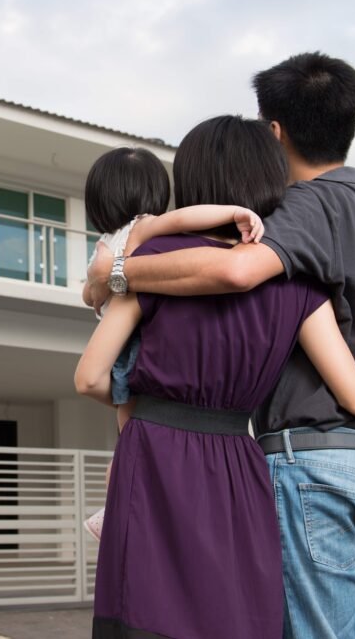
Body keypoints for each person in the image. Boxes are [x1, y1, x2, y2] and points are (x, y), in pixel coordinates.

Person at [86, 53, 355, 638]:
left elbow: (234, 272)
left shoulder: (304, 207)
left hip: (308, 458)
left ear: (275, 131)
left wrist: (116, 272)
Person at [80, 146, 265, 540]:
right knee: (135, 433)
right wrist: (232, 212)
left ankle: (116, 504)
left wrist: (99, 285)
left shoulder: (108, 243)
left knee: (129, 433)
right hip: (140, 337)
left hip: (122, 340)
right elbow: (184, 217)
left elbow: (89, 295)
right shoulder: (143, 227)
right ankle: (121, 505)